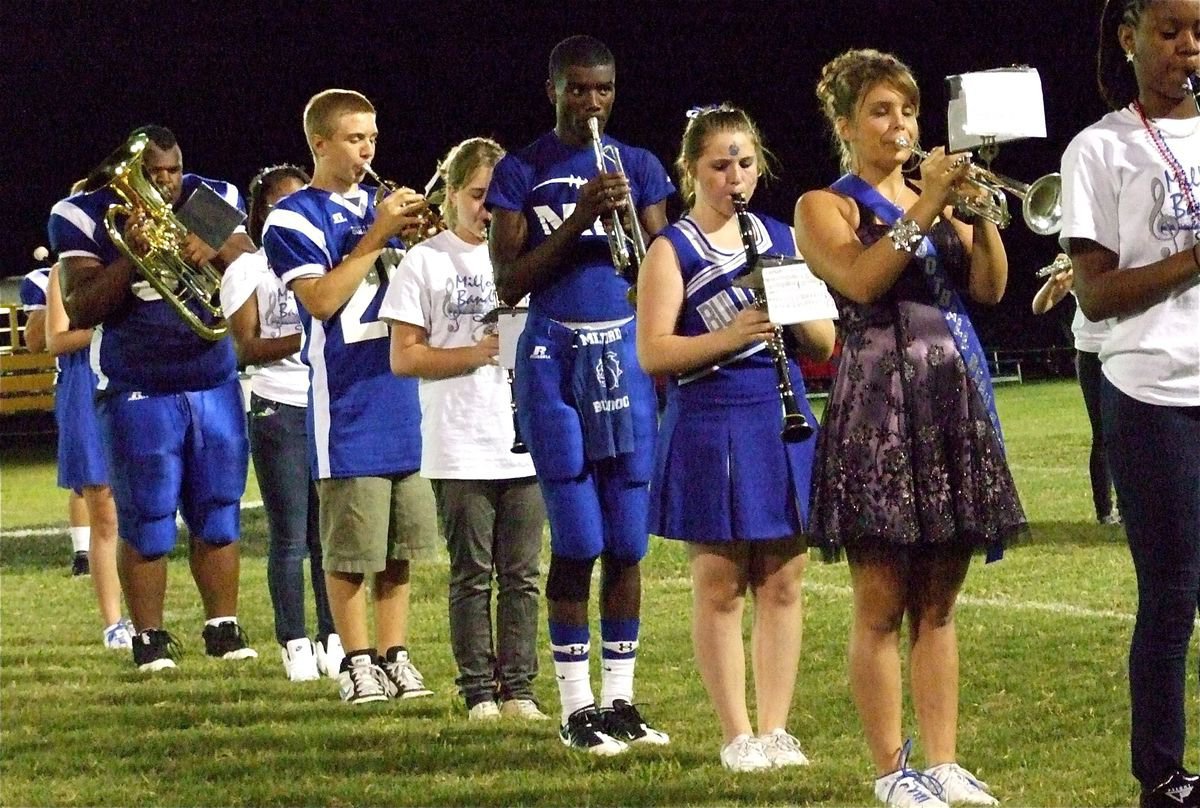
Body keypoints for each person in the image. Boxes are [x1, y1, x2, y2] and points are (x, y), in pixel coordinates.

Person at [795, 49, 1026, 807]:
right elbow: (862, 280)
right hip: (879, 412)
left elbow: (990, 290)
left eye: (908, 111)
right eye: (882, 112)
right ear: (845, 125)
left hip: (950, 401)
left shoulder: (942, 197)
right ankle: (893, 770)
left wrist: (982, 221)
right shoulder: (824, 206)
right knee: (880, 603)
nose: (901, 126)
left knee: (939, 602)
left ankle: (946, 761)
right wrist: (927, 204)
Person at [487, 34, 674, 754]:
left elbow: (665, 261)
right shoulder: (521, 168)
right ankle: (575, 705)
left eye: (602, 90)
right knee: (579, 538)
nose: (590, 103)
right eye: (577, 89)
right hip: (552, 355)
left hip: (623, 351)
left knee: (628, 541)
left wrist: (637, 220)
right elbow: (509, 280)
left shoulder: (643, 164)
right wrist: (577, 217)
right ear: (554, 89)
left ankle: (621, 701)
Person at [636, 105, 835, 772]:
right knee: (719, 584)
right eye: (720, 164)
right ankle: (736, 733)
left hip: (777, 415)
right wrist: (732, 334)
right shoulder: (673, 248)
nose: (735, 176)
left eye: (745, 162)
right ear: (692, 169)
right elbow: (654, 353)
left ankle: (777, 729)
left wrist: (795, 303)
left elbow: (825, 342)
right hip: (709, 417)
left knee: (782, 580)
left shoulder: (780, 236)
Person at [49, 124, 257, 671]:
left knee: (218, 509)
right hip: (137, 384)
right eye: (153, 173)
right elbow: (83, 307)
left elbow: (246, 259)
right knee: (148, 515)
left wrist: (214, 246)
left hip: (211, 377)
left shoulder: (208, 195)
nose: (165, 184)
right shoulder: (83, 213)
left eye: (172, 171)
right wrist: (132, 259)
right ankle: (149, 637)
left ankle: (223, 626)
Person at [1061, 2, 1200, 805]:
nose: (1189, 47)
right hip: (1152, 391)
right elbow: (1099, 292)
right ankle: (1164, 775)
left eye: (1199, 32)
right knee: (1173, 591)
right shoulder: (1100, 147)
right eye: (1171, 30)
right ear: (1130, 36)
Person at [262, 89, 439, 704]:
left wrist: (424, 241)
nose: (367, 149)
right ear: (319, 142)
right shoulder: (292, 218)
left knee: (398, 548)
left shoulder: (379, 203)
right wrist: (376, 235)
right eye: (353, 138)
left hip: (402, 396)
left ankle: (396, 654)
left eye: (372, 137)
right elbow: (320, 300)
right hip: (346, 403)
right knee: (349, 547)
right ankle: (356, 660)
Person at [380, 137, 549, 722]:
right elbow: (404, 358)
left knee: (524, 575)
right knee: (473, 574)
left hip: (526, 438)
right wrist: (477, 352)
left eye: (500, 197)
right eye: (479, 196)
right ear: (451, 195)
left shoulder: (531, 254)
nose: (489, 209)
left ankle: (521, 687)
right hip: (458, 440)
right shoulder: (426, 261)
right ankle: (479, 689)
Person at [220, 163, 341, 682]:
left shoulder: (322, 257)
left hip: (326, 403)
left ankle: (333, 637)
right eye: (280, 202)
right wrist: (310, 336)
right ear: (261, 212)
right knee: (290, 534)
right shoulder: (245, 270)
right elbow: (245, 348)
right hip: (277, 405)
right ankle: (294, 640)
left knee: (330, 535)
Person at [44, 260, 131, 649]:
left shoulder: (128, 261)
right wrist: (107, 320)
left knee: (144, 509)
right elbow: (56, 340)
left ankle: (148, 620)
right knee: (105, 514)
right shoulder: (62, 271)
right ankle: (114, 623)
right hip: (84, 387)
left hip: (130, 378)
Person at [1030, 256, 1120, 525]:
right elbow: (1039, 306)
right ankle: (1105, 511)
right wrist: (1053, 282)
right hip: (1091, 353)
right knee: (1101, 435)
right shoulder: (1080, 265)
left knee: (1127, 433)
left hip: (1121, 350)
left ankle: (1129, 508)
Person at [18, 264, 91, 578]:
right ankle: (84, 553)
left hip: (124, 374)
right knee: (86, 477)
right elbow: (36, 341)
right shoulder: (48, 277)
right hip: (79, 379)